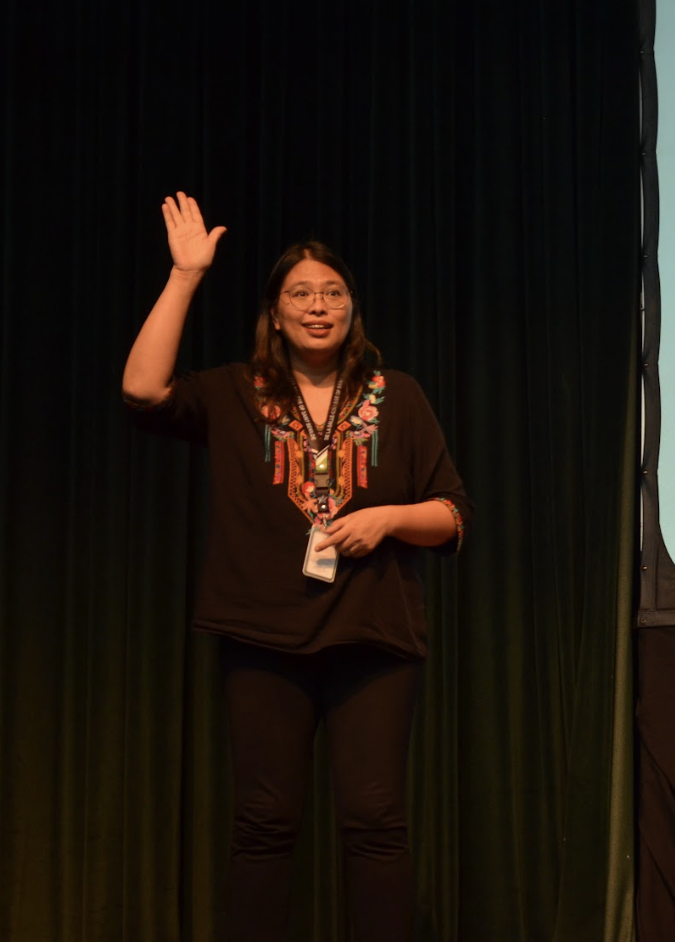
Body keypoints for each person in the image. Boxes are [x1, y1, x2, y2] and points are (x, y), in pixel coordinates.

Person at [123, 192, 471, 942]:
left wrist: (387, 518)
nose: (319, 307)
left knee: (376, 824)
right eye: (301, 295)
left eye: (334, 293)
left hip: (372, 638)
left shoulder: (396, 395)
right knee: (263, 825)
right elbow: (143, 389)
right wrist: (185, 276)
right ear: (275, 314)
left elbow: (451, 514)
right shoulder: (234, 392)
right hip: (261, 637)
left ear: (353, 308)